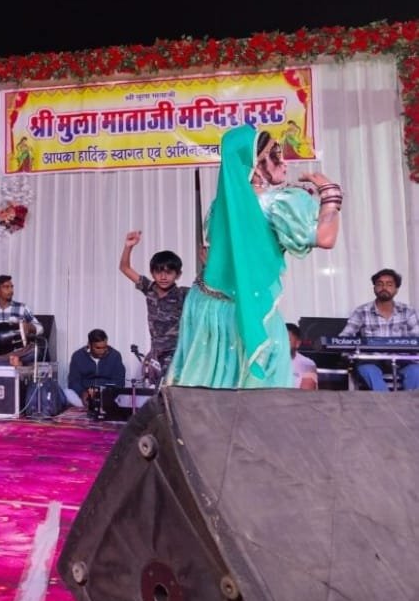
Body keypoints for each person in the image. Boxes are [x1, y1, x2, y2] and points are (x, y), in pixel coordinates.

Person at [166, 125, 341, 388]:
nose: (284, 163)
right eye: (276, 155)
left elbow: (211, 254)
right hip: (249, 307)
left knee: (208, 387)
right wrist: (331, 193)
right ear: (256, 165)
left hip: (205, 305)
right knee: (259, 386)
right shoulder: (279, 202)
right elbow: (326, 238)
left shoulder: (220, 207)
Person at [118, 233, 190, 383]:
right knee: (154, 390)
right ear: (152, 273)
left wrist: (207, 264)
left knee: (171, 387)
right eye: (158, 272)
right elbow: (124, 268)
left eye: (169, 273)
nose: (163, 277)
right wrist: (128, 247)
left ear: (178, 275)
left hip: (176, 353)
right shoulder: (149, 288)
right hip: (156, 353)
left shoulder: (183, 293)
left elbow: (205, 289)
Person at [338, 269, 419, 391]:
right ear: (374, 288)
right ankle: (386, 402)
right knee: (368, 370)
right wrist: (349, 350)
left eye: (389, 284)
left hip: (402, 359)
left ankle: (409, 402)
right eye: (380, 284)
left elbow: (416, 339)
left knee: (416, 371)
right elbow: (344, 336)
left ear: (396, 289)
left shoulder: (408, 311)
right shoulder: (362, 311)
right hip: (371, 360)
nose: (384, 287)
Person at [65, 329, 126, 408]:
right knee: (67, 392)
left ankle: (95, 406)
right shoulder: (78, 356)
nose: (102, 351)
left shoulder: (115, 356)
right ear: (89, 345)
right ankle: (90, 406)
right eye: (98, 348)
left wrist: (105, 393)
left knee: (125, 398)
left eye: (104, 347)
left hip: (107, 395)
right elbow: (73, 381)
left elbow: (119, 381)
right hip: (86, 394)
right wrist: (82, 393)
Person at [287, 322, 318, 390]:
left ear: (297, 343)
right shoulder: (268, 361)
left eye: (287, 340)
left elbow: (306, 394)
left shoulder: (308, 364)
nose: (282, 343)